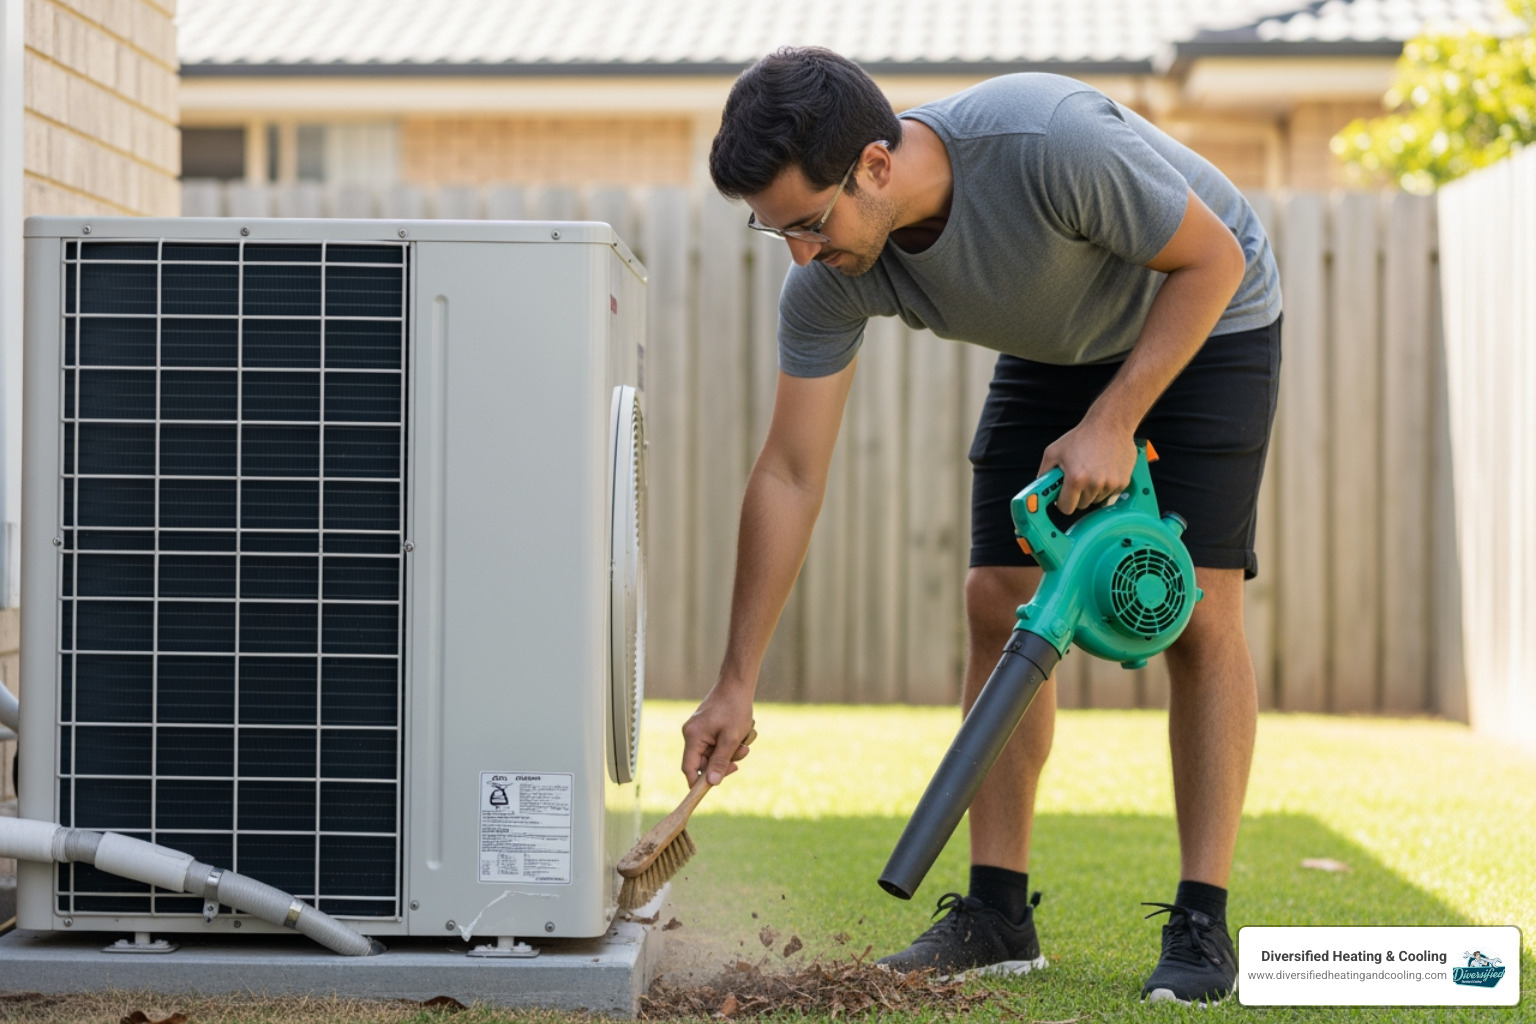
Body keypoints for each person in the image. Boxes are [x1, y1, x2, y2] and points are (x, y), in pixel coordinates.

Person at [681, 46, 1281, 1007]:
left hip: (1203, 309)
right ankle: (998, 913)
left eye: (809, 221)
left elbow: (1214, 258)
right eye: (773, 229)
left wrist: (1117, 419)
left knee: (1198, 608)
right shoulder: (832, 274)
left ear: (876, 164)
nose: (800, 252)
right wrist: (735, 682)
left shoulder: (1048, 142)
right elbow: (790, 473)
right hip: (1056, 343)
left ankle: (1203, 917)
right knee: (997, 596)